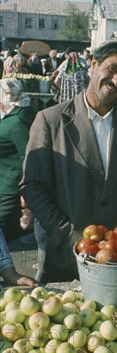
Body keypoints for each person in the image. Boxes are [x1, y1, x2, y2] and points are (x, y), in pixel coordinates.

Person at [20, 38, 117, 283]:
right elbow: (33, 186)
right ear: (94, 64)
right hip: (64, 256)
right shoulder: (50, 120)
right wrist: (65, 233)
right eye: (113, 69)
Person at [0, 78, 36, 241]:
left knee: (5, 230)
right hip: (7, 182)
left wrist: (27, 201)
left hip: (12, 187)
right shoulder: (21, 109)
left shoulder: (17, 120)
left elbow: (28, 158)